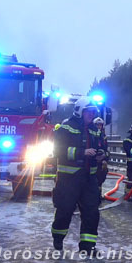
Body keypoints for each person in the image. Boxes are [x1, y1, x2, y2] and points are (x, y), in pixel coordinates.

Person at [50, 97, 104, 254]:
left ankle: (87, 246)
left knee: (91, 212)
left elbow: (102, 147)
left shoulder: (94, 130)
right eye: (89, 111)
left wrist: (101, 154)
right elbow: (58, 151)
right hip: (69, 179)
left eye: (93, 112)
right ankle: (58, 238)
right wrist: (82, 152)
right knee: (65, 210)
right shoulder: (66, 127)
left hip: (89, 179)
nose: (91, 115)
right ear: (79, 111)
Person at [93, 117, 109, 197]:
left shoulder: (103, 137)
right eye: (97, 125)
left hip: (101, 161)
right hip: (93, 161)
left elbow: (106, 149)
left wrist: (105, 157)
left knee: (101, 177)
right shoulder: (91, 135)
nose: (99, 127)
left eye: (100, 125)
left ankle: (98, 195)